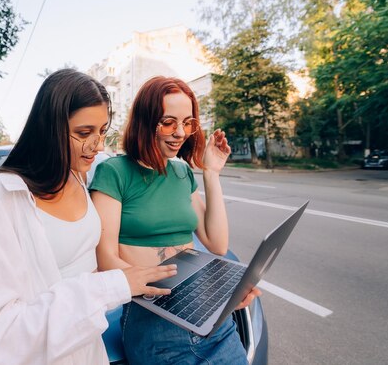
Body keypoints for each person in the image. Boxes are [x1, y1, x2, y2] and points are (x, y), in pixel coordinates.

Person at [0, 69, 177, 365]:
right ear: (48, 129)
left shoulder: (76, 176)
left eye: (102, 131)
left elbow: (87, 262)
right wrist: (112, 286)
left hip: (88, 352)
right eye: (84, 133)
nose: (97, 145)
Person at [90, 76, 261, 365]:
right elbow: (105, 259)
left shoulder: (182, 172)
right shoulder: (114, 172)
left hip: (212, 322)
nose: (180, 132)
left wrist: (211, 173)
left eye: (188, 123)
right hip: (155, 326)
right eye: (168, 122)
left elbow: (217, 244)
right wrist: (173, 295)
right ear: (146, 121)